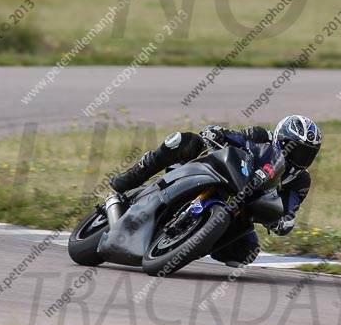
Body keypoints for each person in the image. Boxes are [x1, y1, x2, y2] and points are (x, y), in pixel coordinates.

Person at [110, 114, 322, 267]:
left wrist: (284, 219)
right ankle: (129, 180)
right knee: (184, 141)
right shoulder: (259, 135)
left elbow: (290, 207)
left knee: (246, 252)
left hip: (243, 207)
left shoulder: (300, 180)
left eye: (306, 153)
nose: (298, 156)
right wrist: (218, 133)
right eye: (293, 148)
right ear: (280, 139)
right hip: (223, 175)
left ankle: (189, 242)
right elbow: (235, 138)